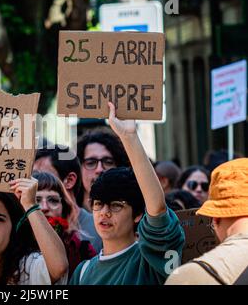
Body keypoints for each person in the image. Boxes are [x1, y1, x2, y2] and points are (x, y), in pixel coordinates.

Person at [69, 102, 185, 285]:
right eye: (98, 204)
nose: (104, 212)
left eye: (116, 205)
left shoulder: (150, 259)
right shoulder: (82, 272)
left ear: (138, 214)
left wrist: (129, 137)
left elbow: (158, 208)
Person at [165, 158, 248, 285]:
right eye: (193, 185)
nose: (198, 189)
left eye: (204, 186)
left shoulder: (191, 276)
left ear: (215, 219)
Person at [33, 146, 102, 252]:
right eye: (33, 177)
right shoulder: (27, 225)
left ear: (69, 180)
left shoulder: (99, 227)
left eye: (44, 175)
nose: (37, 181)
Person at [32, 171, 96, 278]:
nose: (44, 207)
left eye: (53, 200)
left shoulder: (82, 250)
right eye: (36, 200)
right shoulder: (10, 246)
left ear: (64, 207)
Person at [76, 127, 130, 212]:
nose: (99, 169)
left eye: (108, 162)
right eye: (91, 163)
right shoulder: (66, 214)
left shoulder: (132, 214)